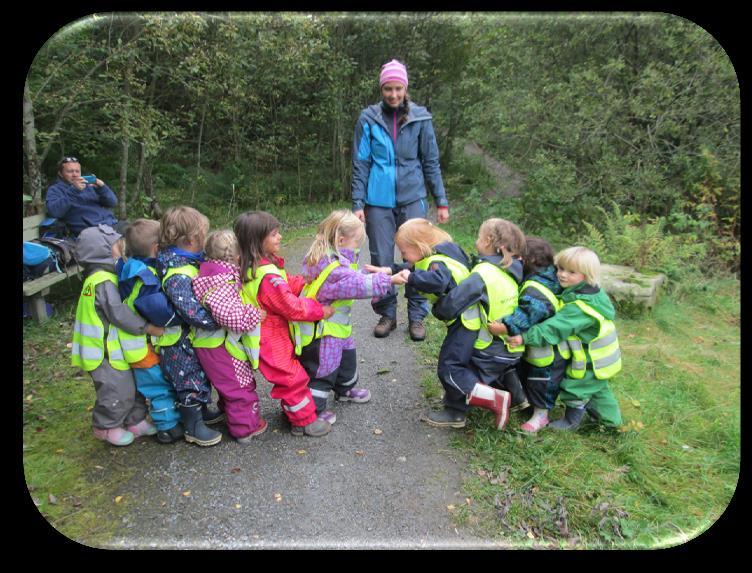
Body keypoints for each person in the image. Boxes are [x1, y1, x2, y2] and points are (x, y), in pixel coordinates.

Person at [365, 218, 511, 431]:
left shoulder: (438, 264)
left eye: (404, 251)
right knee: (455, 364)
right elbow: (413, 266)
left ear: (419, 246)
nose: (403, 256)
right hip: (465, 321)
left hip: (465, 323)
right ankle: (455, 409)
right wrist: (389, 271)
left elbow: (437, 280)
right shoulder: (442, 255)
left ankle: (494, 399)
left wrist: (411, 278)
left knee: (449, 367)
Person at [351, 59, 450, 342]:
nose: (393, 95)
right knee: (381, 257)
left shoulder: (421, 119)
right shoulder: (368, 119)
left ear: (405, 88)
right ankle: (387, 314)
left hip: (413, 198)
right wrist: (358, 202)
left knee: (418, 257)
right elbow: (360, 163)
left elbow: (431, 162)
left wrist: (440, 200)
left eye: (398, 89)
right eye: (388, 89)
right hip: (378, 201)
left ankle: (417, 316)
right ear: (381, 89)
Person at [297, 210, 408, 426]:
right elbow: (357, 284)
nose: (358, 248)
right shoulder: (333, 269)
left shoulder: (330, 257)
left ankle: (345, 388)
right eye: (357, 243)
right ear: (341, 240)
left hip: (339, 329)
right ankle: (314, 408)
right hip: (325, 332)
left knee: (347, 357)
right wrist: (389, 280)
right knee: (324, 368)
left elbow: (353, 276)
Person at [233, 211, 335, 437]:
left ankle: (294, 413)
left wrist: (305, 281)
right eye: (274, 234)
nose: (280, 237)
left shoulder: (258, 266)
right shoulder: (267, 277)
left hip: (268, 334)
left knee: (289, 375)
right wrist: (320, 311)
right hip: (270, 338)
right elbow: (290, 306)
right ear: (258, 241)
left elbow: (286, 283)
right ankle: (304, 422)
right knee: (292, 378)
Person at [506, 246, 623, 431]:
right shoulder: (589, 292)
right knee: (598, 390)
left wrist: (525, 337)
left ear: (586, 275)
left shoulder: (579, 308)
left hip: (591, 361)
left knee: (576, 388)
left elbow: (554, 328)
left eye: (571, 272)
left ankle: (571, 422)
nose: (562, 275)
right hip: (602, 359)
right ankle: (613, 425)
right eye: (560, 268)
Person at [70, 224, 162, 446]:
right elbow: (118, 313)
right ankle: (106, 427)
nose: (120, 246)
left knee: (130, 383)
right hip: (101, 351)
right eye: (115, 243)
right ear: (102, 250)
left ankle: (135, 419)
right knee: (116, 389)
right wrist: (146, 327)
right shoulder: (102, 280)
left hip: (111, 348)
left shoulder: (102, 276)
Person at [432, 218, 528, 418]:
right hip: (511, 347)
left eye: (478, 237)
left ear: (487, 241)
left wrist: (438, 307)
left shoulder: (483, 273)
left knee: (452, 368)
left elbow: (452, 304)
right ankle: (518, 397)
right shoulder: (511, 270)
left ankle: (456, 412)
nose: (476, 241)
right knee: (488, 367)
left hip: (490, 347)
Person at [191, 229, 269, 444]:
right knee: (239, 385)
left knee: (227, 383)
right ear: (236, 257)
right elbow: (231, 317)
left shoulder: (208, 274)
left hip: (210, 344)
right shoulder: (222, 283)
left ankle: (230, 414)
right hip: (219, 346)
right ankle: (245, 428)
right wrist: (255, 314)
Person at [156, 206, 224, 447]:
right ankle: (193, 426)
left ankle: (202, 411)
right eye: (204, 233)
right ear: (193, 239)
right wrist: (221, 320)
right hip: (178, 342)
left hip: (188, 337)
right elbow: (191, 311)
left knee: (199, 374)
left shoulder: (183, 260)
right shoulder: (178, 273)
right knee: (189, 379)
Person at [116, 218, 185, 444]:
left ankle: (170, 419)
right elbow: (157, 310)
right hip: (140, 345)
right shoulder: (144, 277)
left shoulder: (131, 267)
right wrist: (179, 314)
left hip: (140, 340)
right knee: (158, 386)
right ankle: (167, 427)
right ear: (156, 249)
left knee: (157, 382)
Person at [487, 236, 566, 433]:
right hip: (540, 342)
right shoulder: (547, 276)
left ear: (524, 261)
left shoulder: (536, 288)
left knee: (542, 382)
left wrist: (504, 326)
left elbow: (528, 313)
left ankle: (541, 415)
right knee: (531, 375)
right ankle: (527, 402)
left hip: (546, 351)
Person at [45, 156, 126, 237]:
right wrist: (74, 190)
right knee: (132, 241)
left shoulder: (89, 186)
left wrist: (102, 187)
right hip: (92, 231)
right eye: (70, 171)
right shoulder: (56, 189)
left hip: (111, 225)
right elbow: (54, 212)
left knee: (137, 231)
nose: (75, 174)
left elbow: (113, 202)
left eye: (77, 171)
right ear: (60, 174)